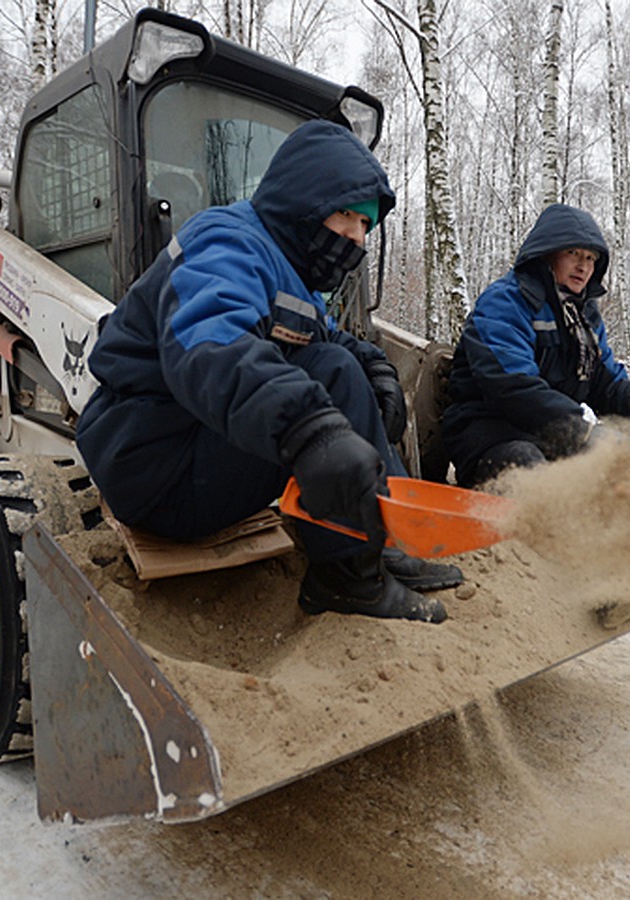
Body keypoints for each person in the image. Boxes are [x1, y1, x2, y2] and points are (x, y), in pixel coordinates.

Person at [76, 119, 461, 624]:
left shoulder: (287, 271)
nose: (356, 238)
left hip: (186, 446)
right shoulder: (228, 244)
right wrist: (310, 430)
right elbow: (211, 343)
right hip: (153, 464)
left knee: (343, 365)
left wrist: (378, 370)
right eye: (347, 215)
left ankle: (377, 543)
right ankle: (347, 579)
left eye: (366, 226)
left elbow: (321, 337)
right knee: (330, 375)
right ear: (306, 200)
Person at [442, 203, 630, 488]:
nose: (583, 266)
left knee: (628, 474)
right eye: (573, 253)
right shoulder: (506, 301)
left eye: (591, 258)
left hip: (552, 438)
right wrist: (580, 432)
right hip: (489, 435)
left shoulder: (584, 318)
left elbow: (605, 383)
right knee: (533, 474)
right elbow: (512, 386)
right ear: (547, 253)